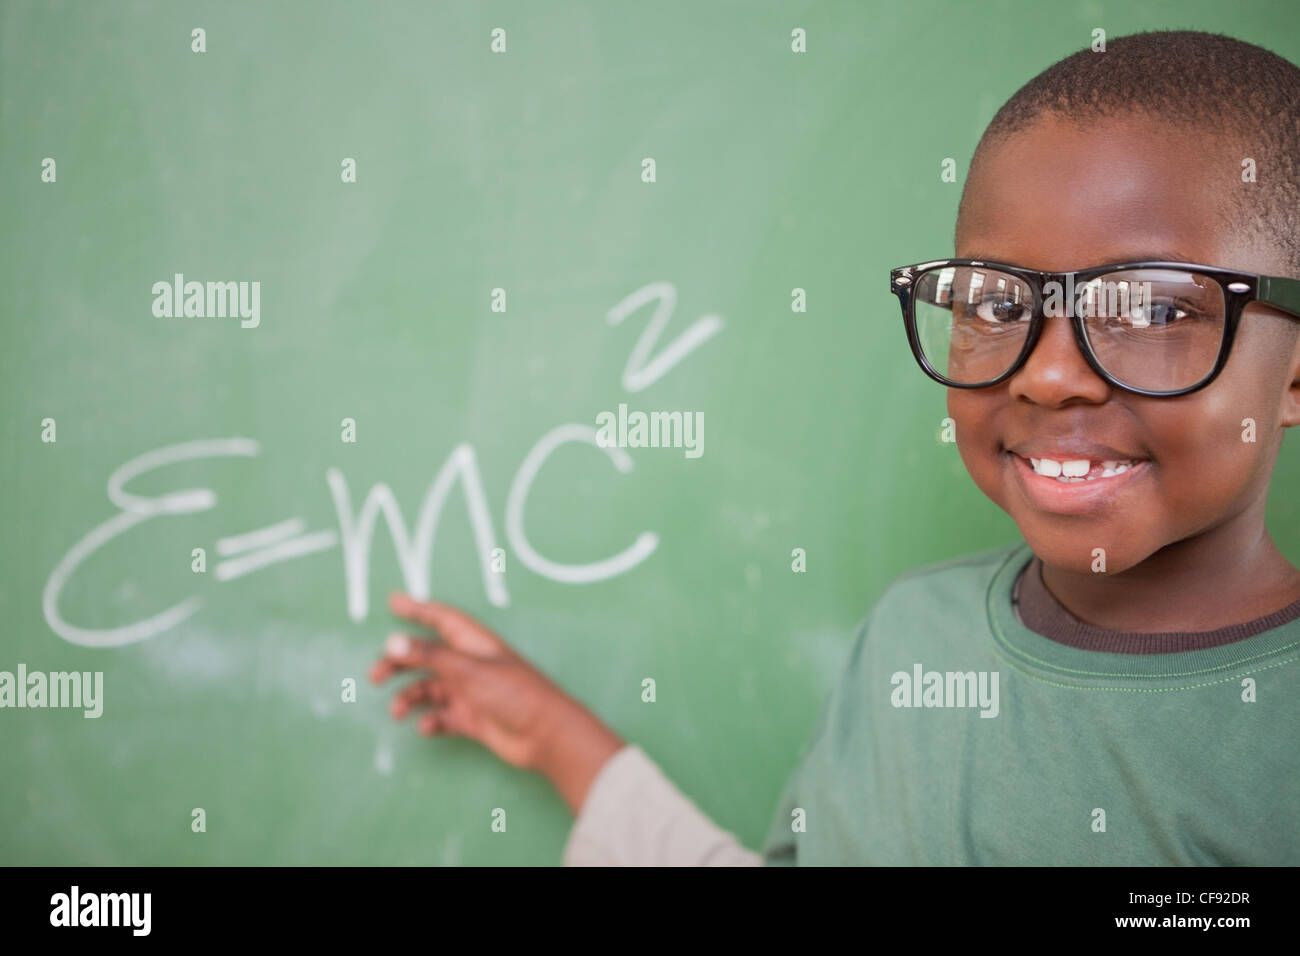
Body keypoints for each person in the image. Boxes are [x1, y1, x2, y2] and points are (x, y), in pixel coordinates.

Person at [371, 29, 1300, 864]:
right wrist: (563, 744)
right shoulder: (910, 637)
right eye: (996, 303)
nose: (1049, 375)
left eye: (1152, 307)